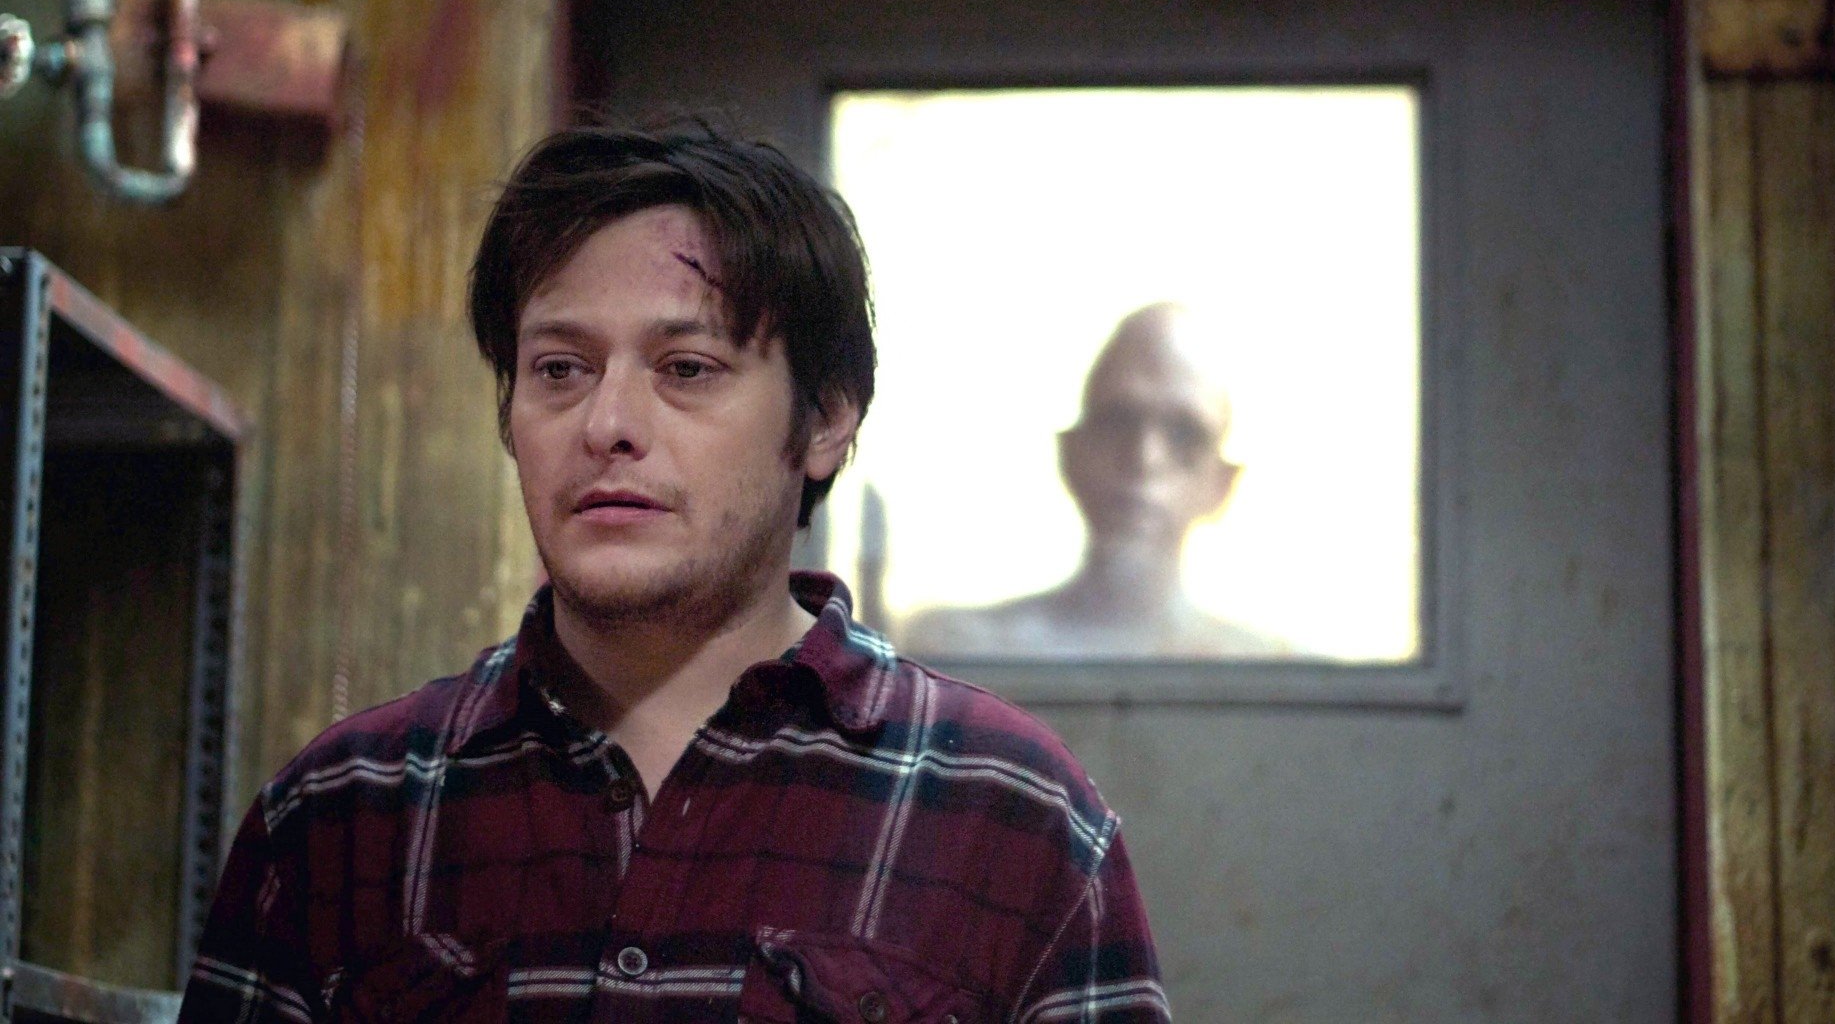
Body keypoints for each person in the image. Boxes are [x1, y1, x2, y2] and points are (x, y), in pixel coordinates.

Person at [179, 122, 1168, 1022]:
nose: (607, 424)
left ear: (827, 419)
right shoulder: (340, 814)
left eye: (686, 369)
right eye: (560, 370)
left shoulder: (1011, 816)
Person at [906, 303, 1280, 659]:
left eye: (1184, 434)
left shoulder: (1274, 674)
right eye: (1117, 421)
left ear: (1222, 483)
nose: (1144, 458)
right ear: (1071, 454)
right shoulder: (955, 650)